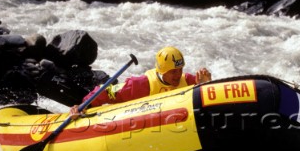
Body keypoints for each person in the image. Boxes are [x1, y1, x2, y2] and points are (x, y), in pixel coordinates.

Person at [70, 46, 212, 118]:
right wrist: (84, 105)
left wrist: (205, 84)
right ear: (162, 70)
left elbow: (208, 99)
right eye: (173, 71)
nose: (178, 75)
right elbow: (108, 91)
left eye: (180, 69)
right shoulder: (142, 84)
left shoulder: (188, 80)